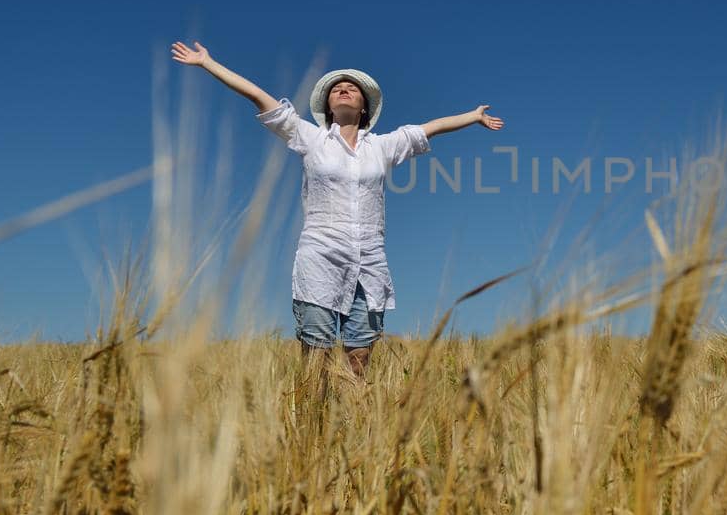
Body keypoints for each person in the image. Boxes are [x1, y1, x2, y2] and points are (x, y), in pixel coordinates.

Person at [170, 40, 503, 380]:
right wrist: (208, 63)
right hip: (320, 259)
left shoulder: (383, 146)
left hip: (369, 263)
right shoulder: (311, 138)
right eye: (337, 89)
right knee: (316, 357)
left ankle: (351, 429)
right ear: (329, 106)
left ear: (363, 108)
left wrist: (473, 117)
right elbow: (258, 95)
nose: (343, 90)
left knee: (360, 358)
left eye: (351, 89)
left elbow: (432, 127)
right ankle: (311, 427)